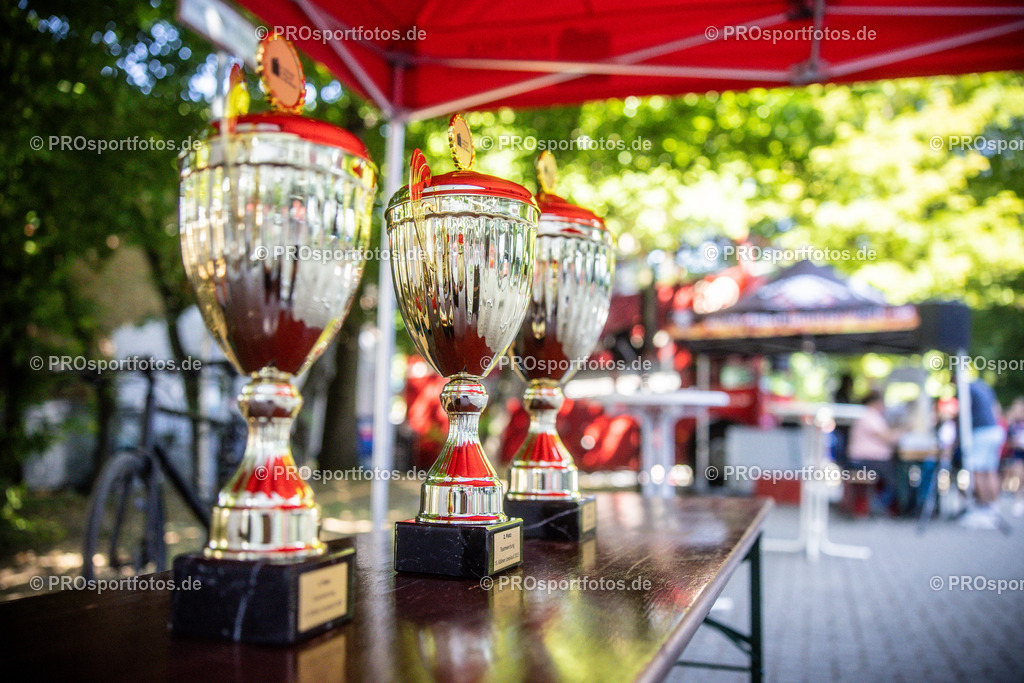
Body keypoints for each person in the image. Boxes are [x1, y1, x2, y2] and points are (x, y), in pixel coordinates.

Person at [959, 378, 1006, 529]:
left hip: (980, 432)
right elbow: (996, 408)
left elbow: (963, 411)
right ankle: (993, 508)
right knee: (990, 470)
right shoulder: (983, 386)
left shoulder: (966, 389)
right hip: (995, 429)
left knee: (977, 471)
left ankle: (981, 509)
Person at [847, 391, 901, 514]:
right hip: (868, 459)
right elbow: (886, 437)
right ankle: (878, 505)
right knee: (897, 480)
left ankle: (879, 505)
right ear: (875, 403)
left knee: (893, 475)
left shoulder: (864, 415)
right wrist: (902, 431)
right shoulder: (870, 416)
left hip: (865, 459)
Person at [1004, 398, 1024, 517]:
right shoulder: (1013, 426)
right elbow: (1009, 441)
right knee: (1018, 476)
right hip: (1017, 454)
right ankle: (1018, 499)